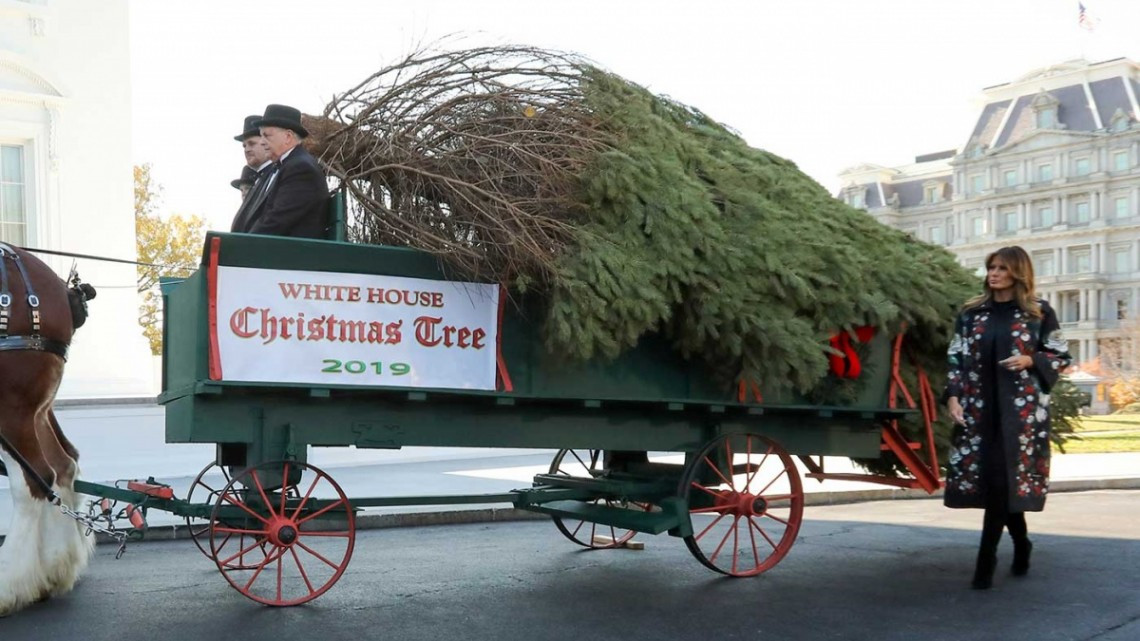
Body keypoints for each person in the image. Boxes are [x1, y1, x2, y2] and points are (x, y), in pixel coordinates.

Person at [943, 245, 1071, 590]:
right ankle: (1021, 543)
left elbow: (1060, 355)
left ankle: (985, 562)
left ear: (1018, 272)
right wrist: (953, 396)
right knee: (999, 484)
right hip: (979, 411)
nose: (994, 274)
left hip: (1021, 416)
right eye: (991, 268)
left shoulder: (1038, 313)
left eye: (1001, 268)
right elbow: (956, 357)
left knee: (1001, 482)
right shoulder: (972, 314)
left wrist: (1031, 360)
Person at [241, 104, 330, 239]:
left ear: (288, 137)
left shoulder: (301, 169)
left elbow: (275, 222)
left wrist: (242, 244)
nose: (262, 142)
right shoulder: (287, 165)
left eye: (267, 135)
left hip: (291, 250)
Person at [230, 115, 275, 232]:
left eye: (252, 143)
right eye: (244, 146)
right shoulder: (260, 179)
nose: (247, 150)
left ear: (266, 142)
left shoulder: (276, 175)